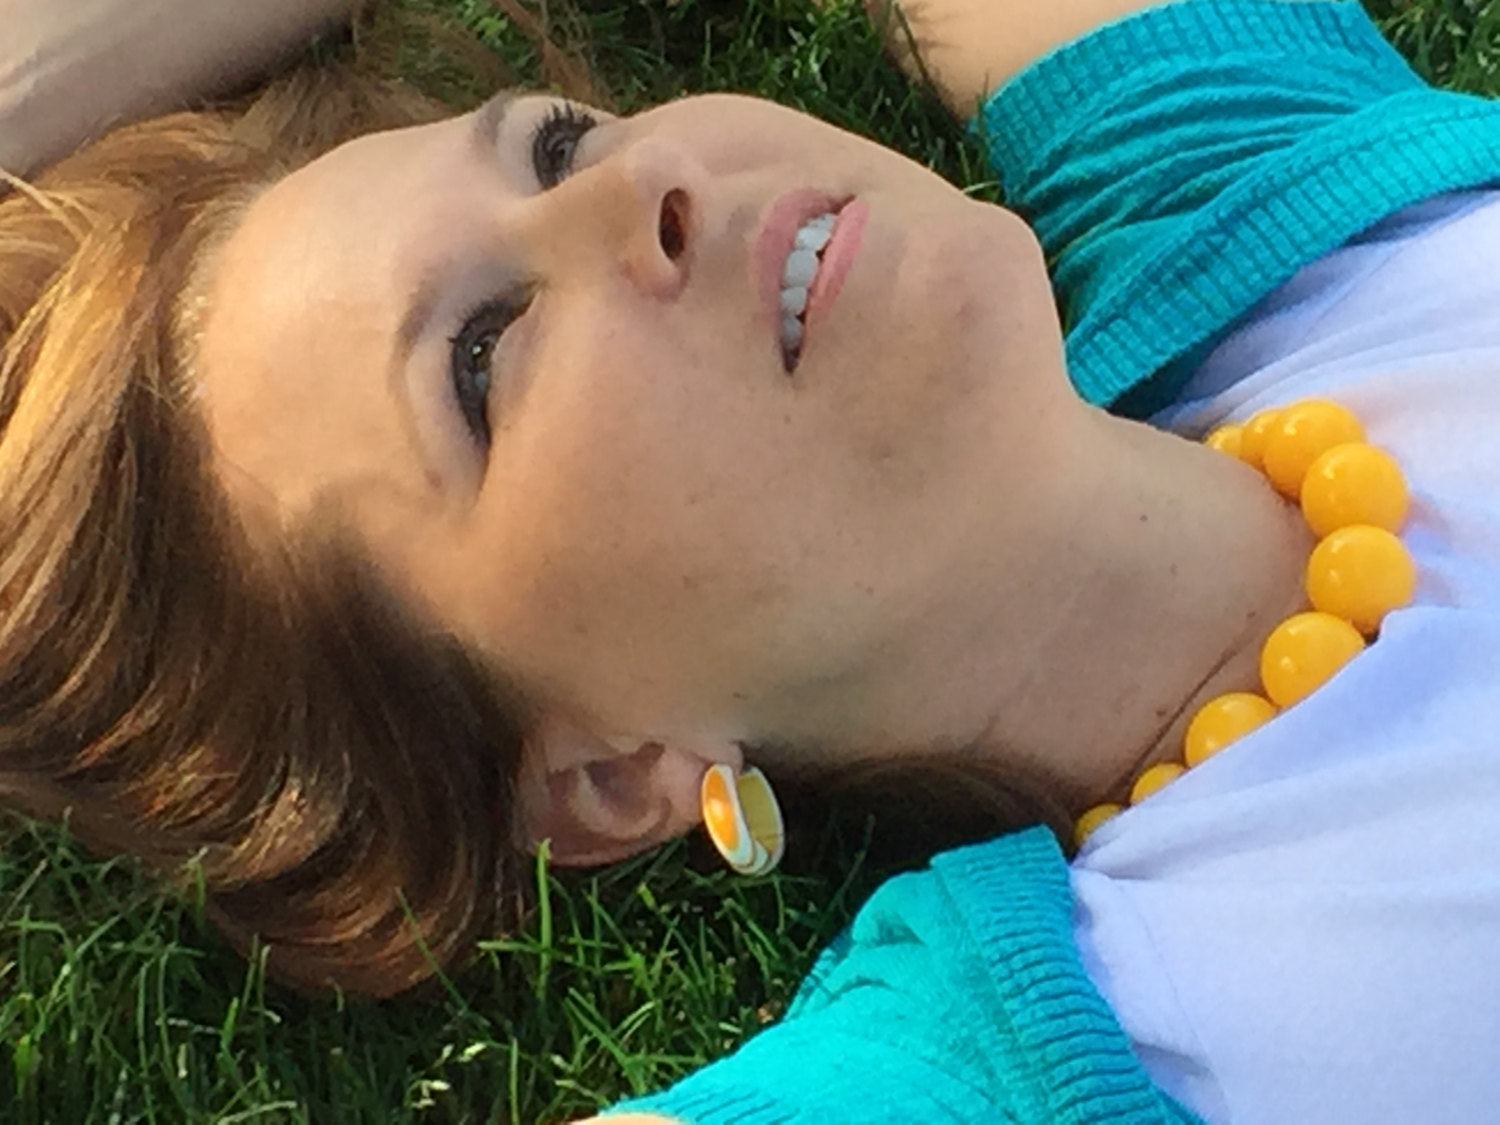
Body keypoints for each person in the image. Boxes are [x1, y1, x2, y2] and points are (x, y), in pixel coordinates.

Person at [3, 0, 1498, 1120]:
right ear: (607, 775)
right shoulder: (1046, 1057)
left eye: (556, 144)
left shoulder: (1263, 193)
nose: (637, 187)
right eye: (482, 356)